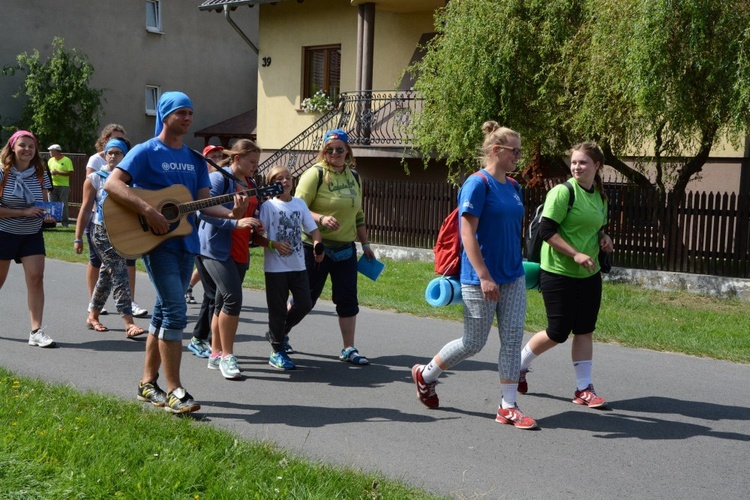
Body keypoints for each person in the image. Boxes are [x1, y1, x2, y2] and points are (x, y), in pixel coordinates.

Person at [104, 91, 247, 413]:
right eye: (181, 112)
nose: (187, 118)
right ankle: (175, 390)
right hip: (156, 243)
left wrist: (233, 214)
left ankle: (146, 383)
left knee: (162, 313)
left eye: (190, 113)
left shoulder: (197, 159)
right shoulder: (145, 151)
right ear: (165, 115)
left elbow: (206, 204)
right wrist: (149, 210)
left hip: (187, 242)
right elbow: (112, 185)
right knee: (175, 310)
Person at [411, 122, 536, 429]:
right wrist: (483, 275)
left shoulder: (513, 186)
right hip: (480, 277)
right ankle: (425, 376)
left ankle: (508, 406)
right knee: (474, 342)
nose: (519, 156)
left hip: (513, 275)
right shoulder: (477, 184)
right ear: (496, 150)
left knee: (512, 340)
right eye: (514, 151)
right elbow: (467, 233)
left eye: (520, 150)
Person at [518, 141, 613, 409]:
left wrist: (604, 238)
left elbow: (595, 229)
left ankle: (584, 389)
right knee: (557, 332)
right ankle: (518, 366)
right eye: (573, 162)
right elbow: (546, 231)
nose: (577, 166)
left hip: (589, 274)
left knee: (585, 329)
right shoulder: (562, 193)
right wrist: (575, 254)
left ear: (597, 166)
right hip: (558, 272)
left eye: (583, 162)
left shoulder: (600, 198)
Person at [294, 129, 374, 365]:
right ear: (323, 151)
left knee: (348, 299)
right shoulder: (314, 174)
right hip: (315, 247)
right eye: (330, 149)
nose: (335, 153)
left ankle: (349, 348)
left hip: (345, 249)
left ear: (348, 150)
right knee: (305, 299)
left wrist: (366, 244)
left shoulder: (355, 177)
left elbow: (358, 214)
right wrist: (320, 218)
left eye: (340, 149)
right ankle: (281, 334)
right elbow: (297, 208)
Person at [197, 140, 262, 379]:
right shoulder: (218, 179)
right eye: (251, 161)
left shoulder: (250, 182)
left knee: (222, 302)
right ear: (236, 159)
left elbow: (252, 210)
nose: (255, 166)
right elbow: (203, 210)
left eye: (257, 162)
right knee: (233, 299)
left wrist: (256, 222)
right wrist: (234, 221)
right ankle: (227, 356)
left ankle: (215, 354)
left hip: (240, 249)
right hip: (215, 248)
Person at [73, 138, 146, 339]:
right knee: (120, 271)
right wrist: (78, 237)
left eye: (118, 153)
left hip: (125, 233)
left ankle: (93, 316)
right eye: (109, 153)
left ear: (125, 156)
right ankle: (128, 322)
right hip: (101, 232)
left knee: (106, 275)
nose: (113, 156)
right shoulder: (95, 178)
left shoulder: (132, 179)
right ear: (104, 155)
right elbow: (86, 208)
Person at [256, 165, 324, 370]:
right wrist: (274, 245)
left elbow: (313, 230)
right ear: (271, 184)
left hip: (298, 264)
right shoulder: (269, 207)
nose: (285, 182)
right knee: (277, 310)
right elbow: (257, 237)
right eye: (279, 179)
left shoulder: (300, 204)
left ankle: (278, 333)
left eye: (287, 178)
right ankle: (277, 351)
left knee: (305, 303)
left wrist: (317, 245)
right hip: (276, 268)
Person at [0, 130, 56, 347]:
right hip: (4, 233)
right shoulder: (3, 172)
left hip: (31, 234)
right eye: (22, 145)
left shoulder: (40, 172)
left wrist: (49, 214)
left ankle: (36, 331)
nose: (27, 150)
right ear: (12, 147)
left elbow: (43, 204)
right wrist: (23, 212)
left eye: (31, 146)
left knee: (36, 279)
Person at [186, 144, 226, 358]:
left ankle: (201, 338)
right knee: (212, 295)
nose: (218, 160)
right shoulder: (203, 182)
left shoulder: (223, 182)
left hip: (217, 246)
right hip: (202, 244)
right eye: (213, 157)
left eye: (220, 156)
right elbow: (202, 211)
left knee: (213, 295)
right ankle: (207, 341)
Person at [47, 144, 74, 227]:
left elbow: (70, 172)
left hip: (64, 186)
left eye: (51, 150)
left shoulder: (67, 160)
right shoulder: (50, 160)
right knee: (52, 205)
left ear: (57, 151)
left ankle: (65, 223)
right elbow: (47, 173)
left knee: (63, 205)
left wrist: (58, 172)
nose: (49, 152)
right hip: (52, 186)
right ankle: (52, 223)